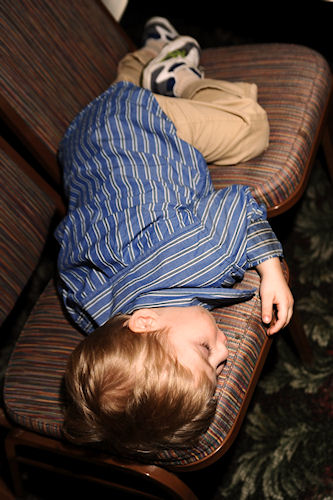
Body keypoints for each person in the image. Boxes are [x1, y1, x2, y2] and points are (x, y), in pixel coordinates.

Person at [56, 17, 293, 457]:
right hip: (83, 143)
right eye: (218, 367)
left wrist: (271, 268)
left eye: (205, 350)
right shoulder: (94, 313)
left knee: (250, 126)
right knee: (124, 84)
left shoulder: (202, 254)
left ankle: (176, 81)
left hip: (144, 127)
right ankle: (143, 58)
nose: (222, 349)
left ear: (145, 322)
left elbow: (240, 205)